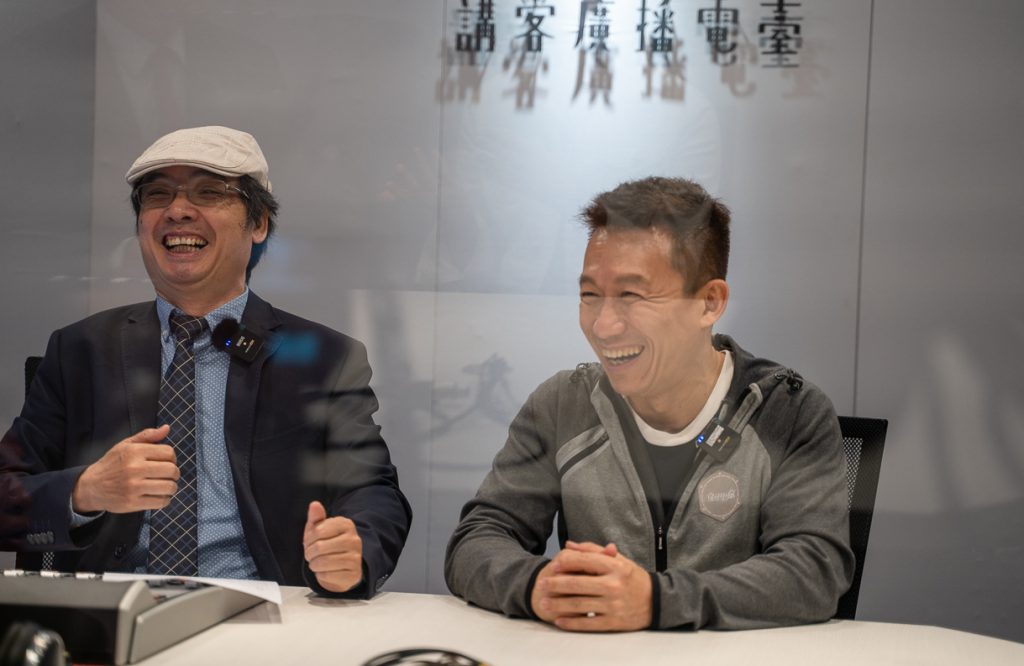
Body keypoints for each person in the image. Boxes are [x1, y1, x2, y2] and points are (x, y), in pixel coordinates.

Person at [0, 126, 411, 598]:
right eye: (157, 195)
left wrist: (354, 550)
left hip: (262, 608)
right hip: (113, 611)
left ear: (258, 224)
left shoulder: (322, 358)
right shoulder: (81, 349)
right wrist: (84, 491)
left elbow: (374, 493)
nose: (177, 210)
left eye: (209, 192)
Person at [444, 177, 854, 630]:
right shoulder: (563, 405)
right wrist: (540, 586)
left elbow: (814, 571)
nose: (603, 326)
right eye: (589, 295)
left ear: (709, 302)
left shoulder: (788, 411)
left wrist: (655, 601)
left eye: (631, 296)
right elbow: (477, 540)